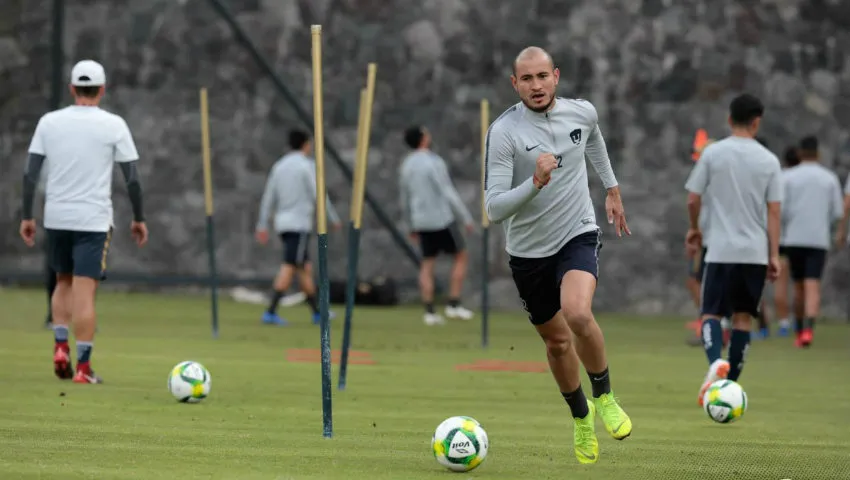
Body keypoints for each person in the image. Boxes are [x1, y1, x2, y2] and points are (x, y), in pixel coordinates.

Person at [484, 46, 632, 465]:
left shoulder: (581, 112)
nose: (536, 85)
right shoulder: (505, 132)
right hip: (528, 253)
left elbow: (593, 138)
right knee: (558, 342)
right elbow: (493, 208)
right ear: (515, 84)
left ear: (556, 77)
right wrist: (535, 182)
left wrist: (612, 188)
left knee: (578, 313)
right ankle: (582, 417)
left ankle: (605, 396)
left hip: (576, 233)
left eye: (542, 76)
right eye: (527, 79)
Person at [19, 59, 148, 384]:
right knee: (85, 291)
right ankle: (83, 368)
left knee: (62, 282)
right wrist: (139, 218)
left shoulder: (49, 122)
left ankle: (61, 346)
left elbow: (30, 173)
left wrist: (27, 215)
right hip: (92, 220)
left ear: (72, 88)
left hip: (57, 217)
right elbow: (132, 178)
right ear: (102, 89)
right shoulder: (114, 125)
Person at [684, 93, 782, 406]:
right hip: (754, 253)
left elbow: (693, 198)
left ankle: (715, 361)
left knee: (711, 313)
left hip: (720, 250)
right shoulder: (769, 160)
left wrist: (694, 228)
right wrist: (773, 254)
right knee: (742, 319)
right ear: (757, 122)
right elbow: (774, 211)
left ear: (729, 119)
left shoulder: (713, 154)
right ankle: (730, 385)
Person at [256, 129, 341, 326]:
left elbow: (269, 197)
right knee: (290, 266)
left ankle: (318, 313)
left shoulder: (279, 166)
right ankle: (270, 311)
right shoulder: (306, 166)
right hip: (299, 224)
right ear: (305, 144)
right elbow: (318, 193)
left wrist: (262, 223)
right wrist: (332, 217)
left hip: (283, 224)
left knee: (304, 268)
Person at [399, 126, 476, 326]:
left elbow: (405, 198)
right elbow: (447, 191)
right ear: (423, 139)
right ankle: (453, 303)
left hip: (421, 221)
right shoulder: (434, 162)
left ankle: (429, 311)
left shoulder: (406, 165)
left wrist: (410, 225)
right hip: (441, 219)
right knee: (461, 256)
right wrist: (465, 217)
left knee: (427, 264)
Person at [778, 136, 844, 348]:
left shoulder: (788, 177)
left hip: (794, 238)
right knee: (813, 283)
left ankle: (799, 328)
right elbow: (837, 212)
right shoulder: (829, 178)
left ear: (800, 153)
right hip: (818, 239)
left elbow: (781, 209)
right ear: (818, 153)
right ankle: (808, 329)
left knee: (798, 286)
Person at [774, 146, 801, 337]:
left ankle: (784, 322)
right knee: (804, 283)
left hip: (784, 237)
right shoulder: (814, 177)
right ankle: (803, 323)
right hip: (806, 238)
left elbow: (778, 210)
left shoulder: (782, 178)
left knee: (781, 282)